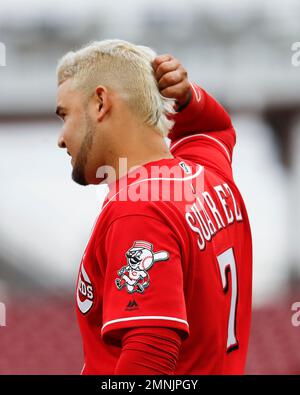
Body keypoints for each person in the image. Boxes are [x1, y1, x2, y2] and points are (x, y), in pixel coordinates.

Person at [56, 39, 252, 374]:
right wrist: (190, 98)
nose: (61, 137)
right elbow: (216, 127)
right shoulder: (209, 173)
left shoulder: (138, 209)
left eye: (65, 115)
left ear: (100, 102)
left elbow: (152, 352)